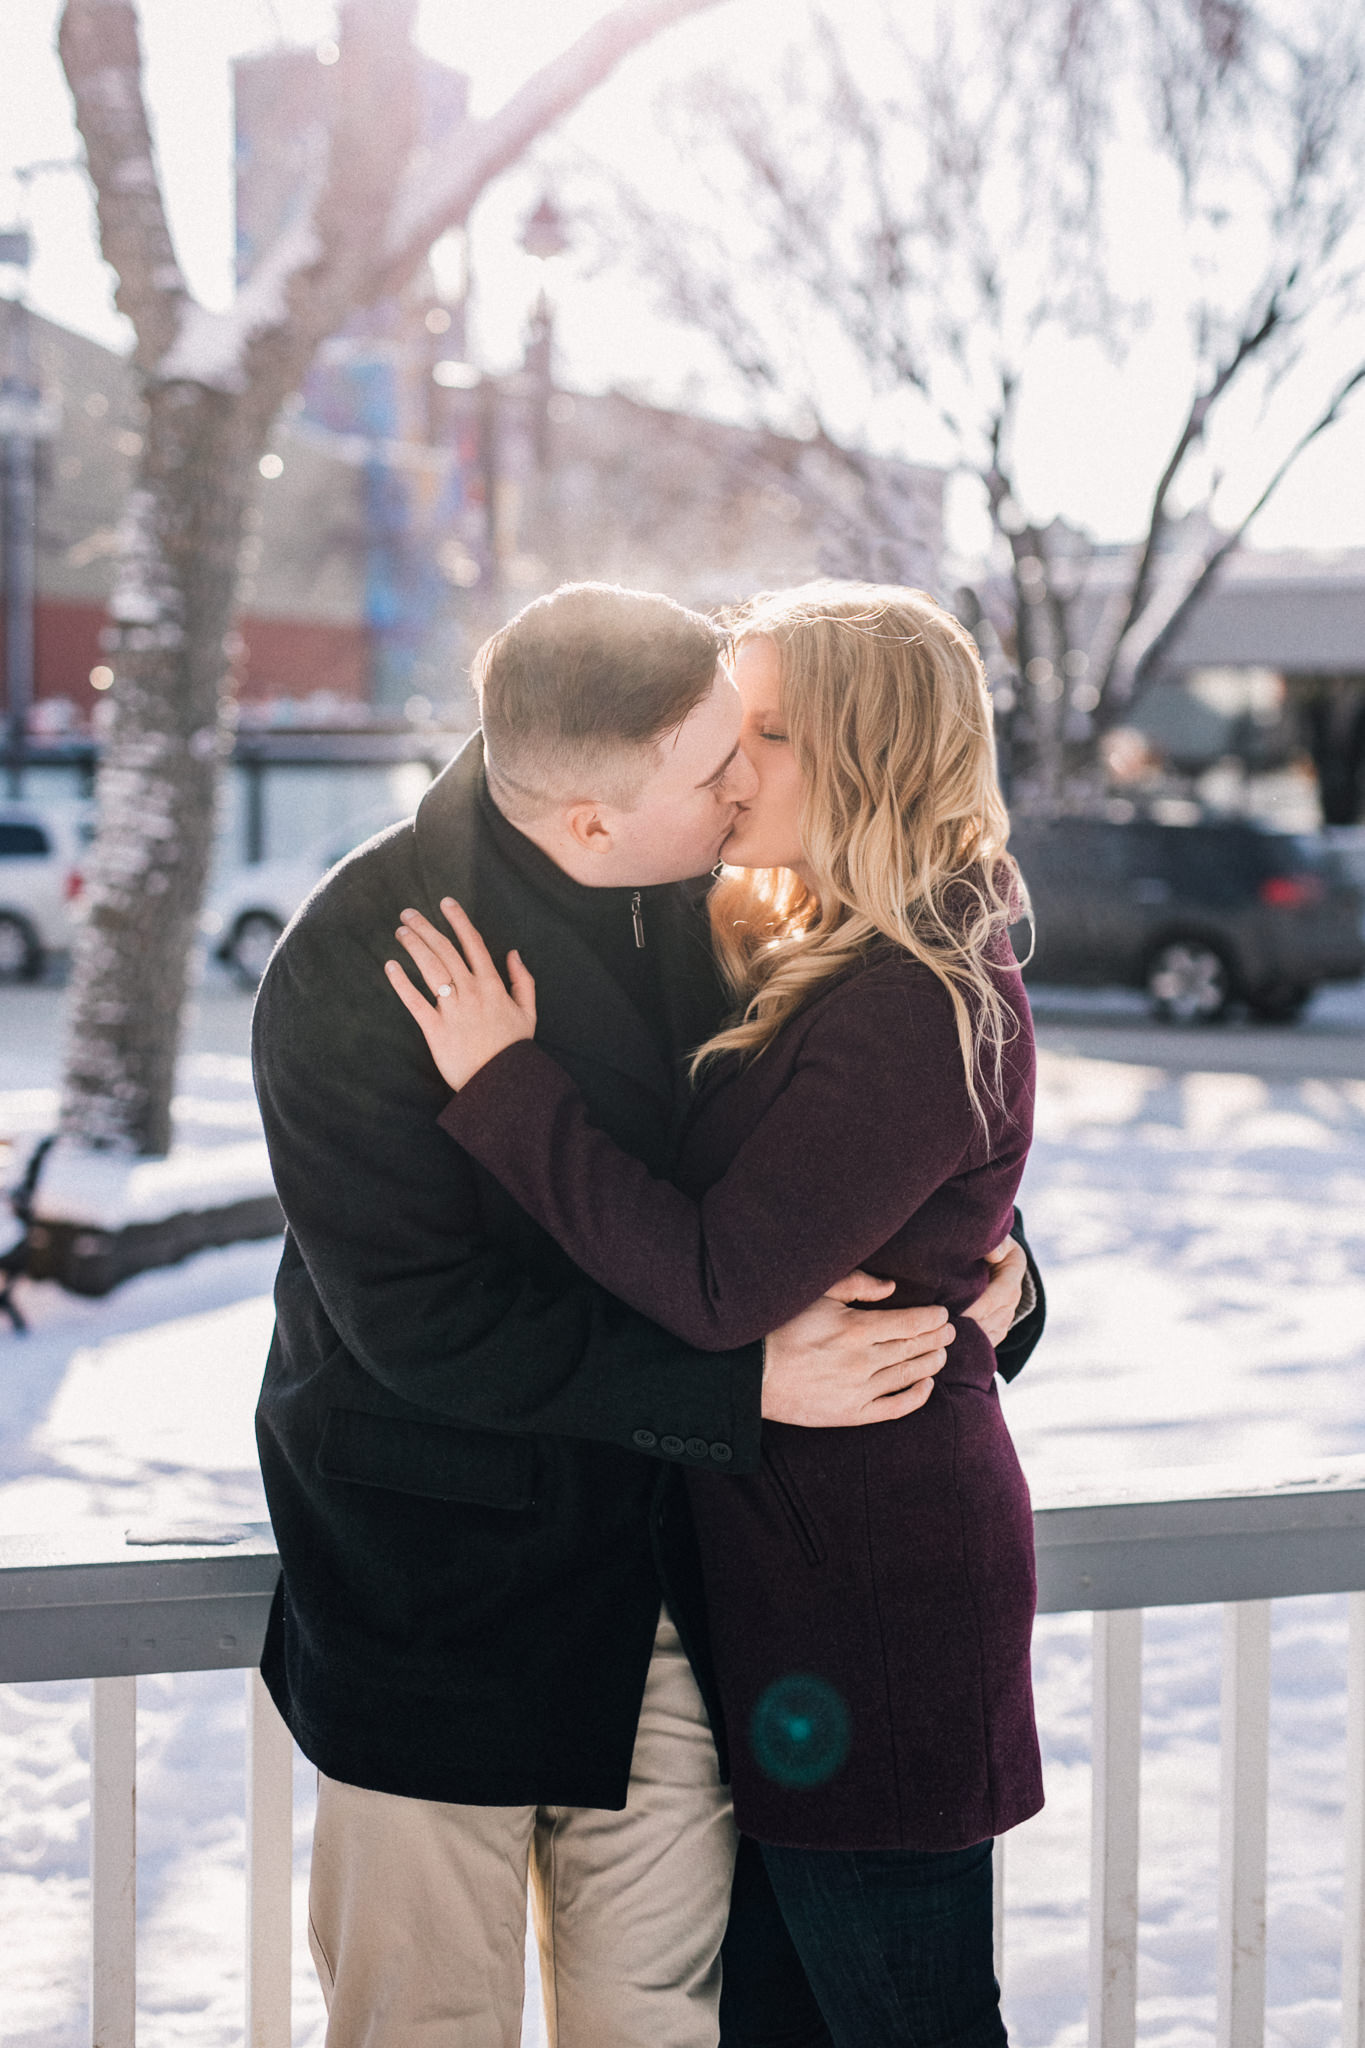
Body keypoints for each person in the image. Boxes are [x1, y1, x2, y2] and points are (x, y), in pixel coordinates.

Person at [254, 581, 1043, 2048]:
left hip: (674, 1603)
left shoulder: (723, 906)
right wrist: (734, 1391)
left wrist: (985, 1268)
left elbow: (841, 1152)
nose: (737, 781)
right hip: (436, 1607)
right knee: (422, 2022)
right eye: (712, 762)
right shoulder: (366, 956)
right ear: (597, 821)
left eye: (753, 743)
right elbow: (418, 1325)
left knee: (663, 2027)